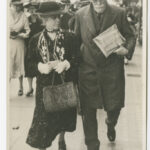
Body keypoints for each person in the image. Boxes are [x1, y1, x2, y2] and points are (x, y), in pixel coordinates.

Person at [74, 0, 136, 149]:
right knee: (88, 111)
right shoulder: (80, 14)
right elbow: (75, 42)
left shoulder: (119, 13)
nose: (99, 2)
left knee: (114, 107)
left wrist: (126, 50)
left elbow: (130, 36)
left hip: (112, 70)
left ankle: (110, 122)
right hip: (88, 71)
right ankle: (92, 145)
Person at [26, 1, 79, 150]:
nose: (57, 20)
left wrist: (67, 64)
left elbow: (78, 60)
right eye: (53, 18)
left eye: (58, 17)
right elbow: (29, 65)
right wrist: (39, 66)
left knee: (63, 117)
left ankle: (61, 140)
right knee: (43, 124)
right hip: (44, 87)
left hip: (64, 84)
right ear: (44, 20)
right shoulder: (35, 40)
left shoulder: (70, 38)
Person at [9, 0, 30, 96]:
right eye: (16, 5)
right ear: (12, 4)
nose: (18, 7)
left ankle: (21, 87)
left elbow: (28, 31)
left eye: (19, 5)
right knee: (7, 65)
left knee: (20, 63)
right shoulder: (6, 13)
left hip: (19, 43)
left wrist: (20, 35)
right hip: (8, 43)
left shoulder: (23, 15)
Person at [24, 1, 44, 97]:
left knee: (39, 67)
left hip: (39, 47)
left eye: (34, 9)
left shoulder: (41, 21)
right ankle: (30, 87)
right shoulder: (26, 20)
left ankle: (38, 87)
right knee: (29, 67)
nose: (32, 11)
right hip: (29, 46)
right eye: (31, 9)